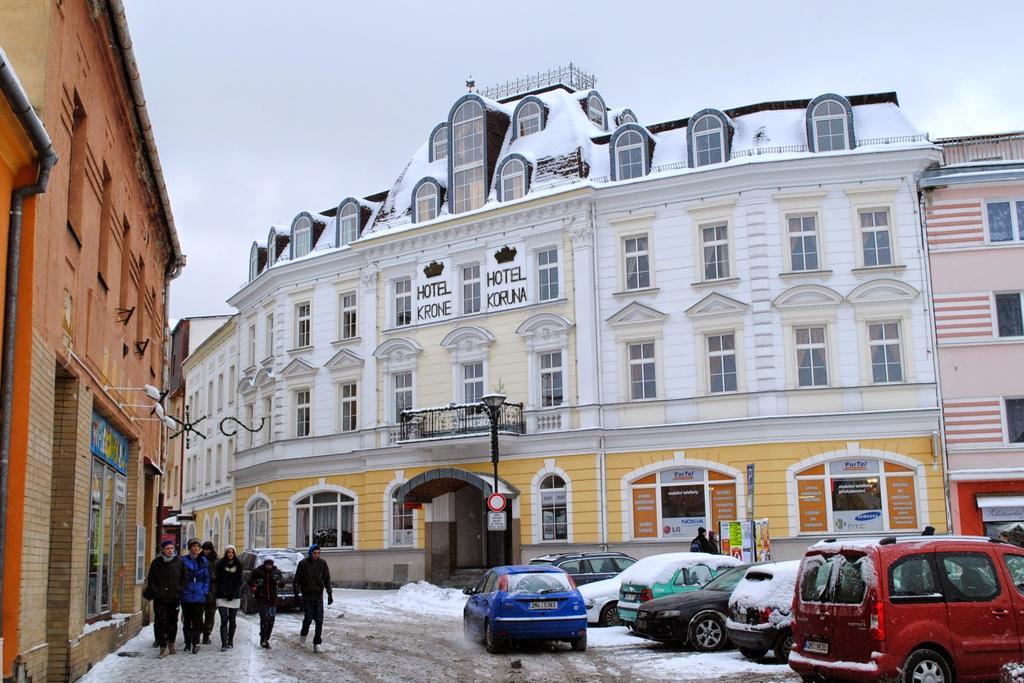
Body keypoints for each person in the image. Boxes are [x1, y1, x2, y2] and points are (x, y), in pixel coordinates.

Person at [145, 539, 186, 658]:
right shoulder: (156, 563)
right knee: (161, 622)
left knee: (173, 621)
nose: (169, 550)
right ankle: (163, 646)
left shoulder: (179, 562)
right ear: (163, 549)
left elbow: (184, 578)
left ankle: (171, 643)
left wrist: (179, 590)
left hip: (174, 597)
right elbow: (151, 580)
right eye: (167, 548)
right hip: (160, 598)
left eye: (171, 548)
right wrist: (156, 591)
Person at [294, 544, 333, 653]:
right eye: (314, 553)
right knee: (308, 618)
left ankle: (317, 643)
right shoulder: (303, 564)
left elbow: (327, 579)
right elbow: (297, 580)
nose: (316, 555)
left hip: (318, 595)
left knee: (319, 620)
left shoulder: (322, 563)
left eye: (318, 553)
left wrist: (329, 593)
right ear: (310, 553)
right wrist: (297, 595)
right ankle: (303, 636)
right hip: (307, 596)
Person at [180, 538, 211, 654]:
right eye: (193, 546)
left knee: (198, 620)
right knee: (187, 620)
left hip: (199, 595)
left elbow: (206, 578)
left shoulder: (203, 561)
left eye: (198, 546)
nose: (196, 548)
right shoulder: (183, 561)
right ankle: (187, 642)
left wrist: (204, 591)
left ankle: (196, 642)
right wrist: (183, 590)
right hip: (187, 595)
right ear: (190, 548)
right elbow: (181, 577)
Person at [249, 556, 285, 649]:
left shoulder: (276, 572)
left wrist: (279, 582)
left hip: (272, 599)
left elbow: (282, 583)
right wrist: (255, 584)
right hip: (261, 598)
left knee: (271, 619)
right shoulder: (258, 572)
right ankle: (263, 640)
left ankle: (266, 636)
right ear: (264, 564)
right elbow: (250, 581)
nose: (269, 566)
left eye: (270, 564)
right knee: (264, 617)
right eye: (267, 564)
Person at [214, 545, 244, 651]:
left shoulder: (238, 565)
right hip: (221, 595)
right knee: (224, 619)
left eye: (232, 552)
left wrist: (233, 592)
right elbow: (218, 580)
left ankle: (230, 640)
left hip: (234, 596)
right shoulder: (220, 564)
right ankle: (224, 643)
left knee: (232, 620)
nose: (230, 554)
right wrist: (224, 591)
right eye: (228, 552)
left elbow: (239, 581)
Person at [200, 541, 219, 644]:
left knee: (210, 615)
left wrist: (213, 577)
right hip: (201, 590)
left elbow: (219, 576)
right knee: (198, 614)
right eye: (204, 549)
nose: (206, 551)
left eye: (208, 549)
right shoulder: (199, 559)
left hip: (213, 591)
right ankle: (200, 631)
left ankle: (206, 634)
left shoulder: (216, 561)